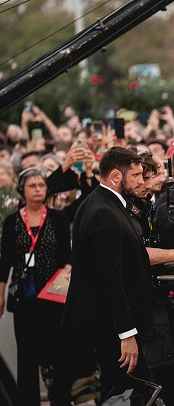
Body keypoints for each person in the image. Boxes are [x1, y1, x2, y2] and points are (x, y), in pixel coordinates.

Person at [64, 147, 166, 401]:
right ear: (115, 177)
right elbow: (111, 281)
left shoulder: (104, 203)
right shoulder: (103, 213)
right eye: (136, 176)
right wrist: (127, 334)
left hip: (109, 327)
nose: (142, 181)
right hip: (108, 332)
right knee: (123, 396)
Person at [0, 168, 72, 405]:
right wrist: (0, 293)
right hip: (24, 299)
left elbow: (67, 259)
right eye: (33, 186)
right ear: (22, 191)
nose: (39, 189)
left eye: (41, 185)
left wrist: (63, 285)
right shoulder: (12, 222)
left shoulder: (57, 219)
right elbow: (5, 262)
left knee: (58, 358)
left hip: (52, 298)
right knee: (27, 360)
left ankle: (59, 400)